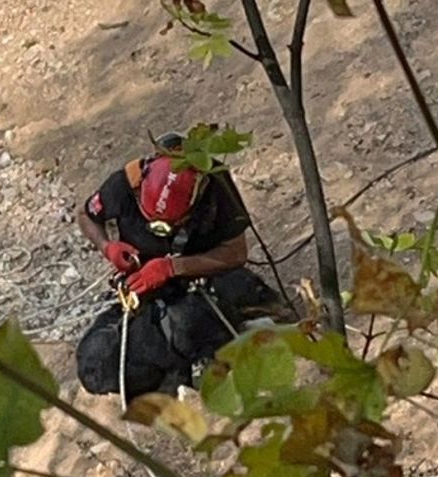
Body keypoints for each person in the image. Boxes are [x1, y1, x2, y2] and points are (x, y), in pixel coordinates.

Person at [74, 132, 283, 401]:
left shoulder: (214, 185)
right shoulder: (126, 182)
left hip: (201, 279)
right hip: (144, 289)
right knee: (96, 365)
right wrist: (107, 247)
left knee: (188, 325)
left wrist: (173, 268)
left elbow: (235, 252)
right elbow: (86, 214)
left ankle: (194, 360)